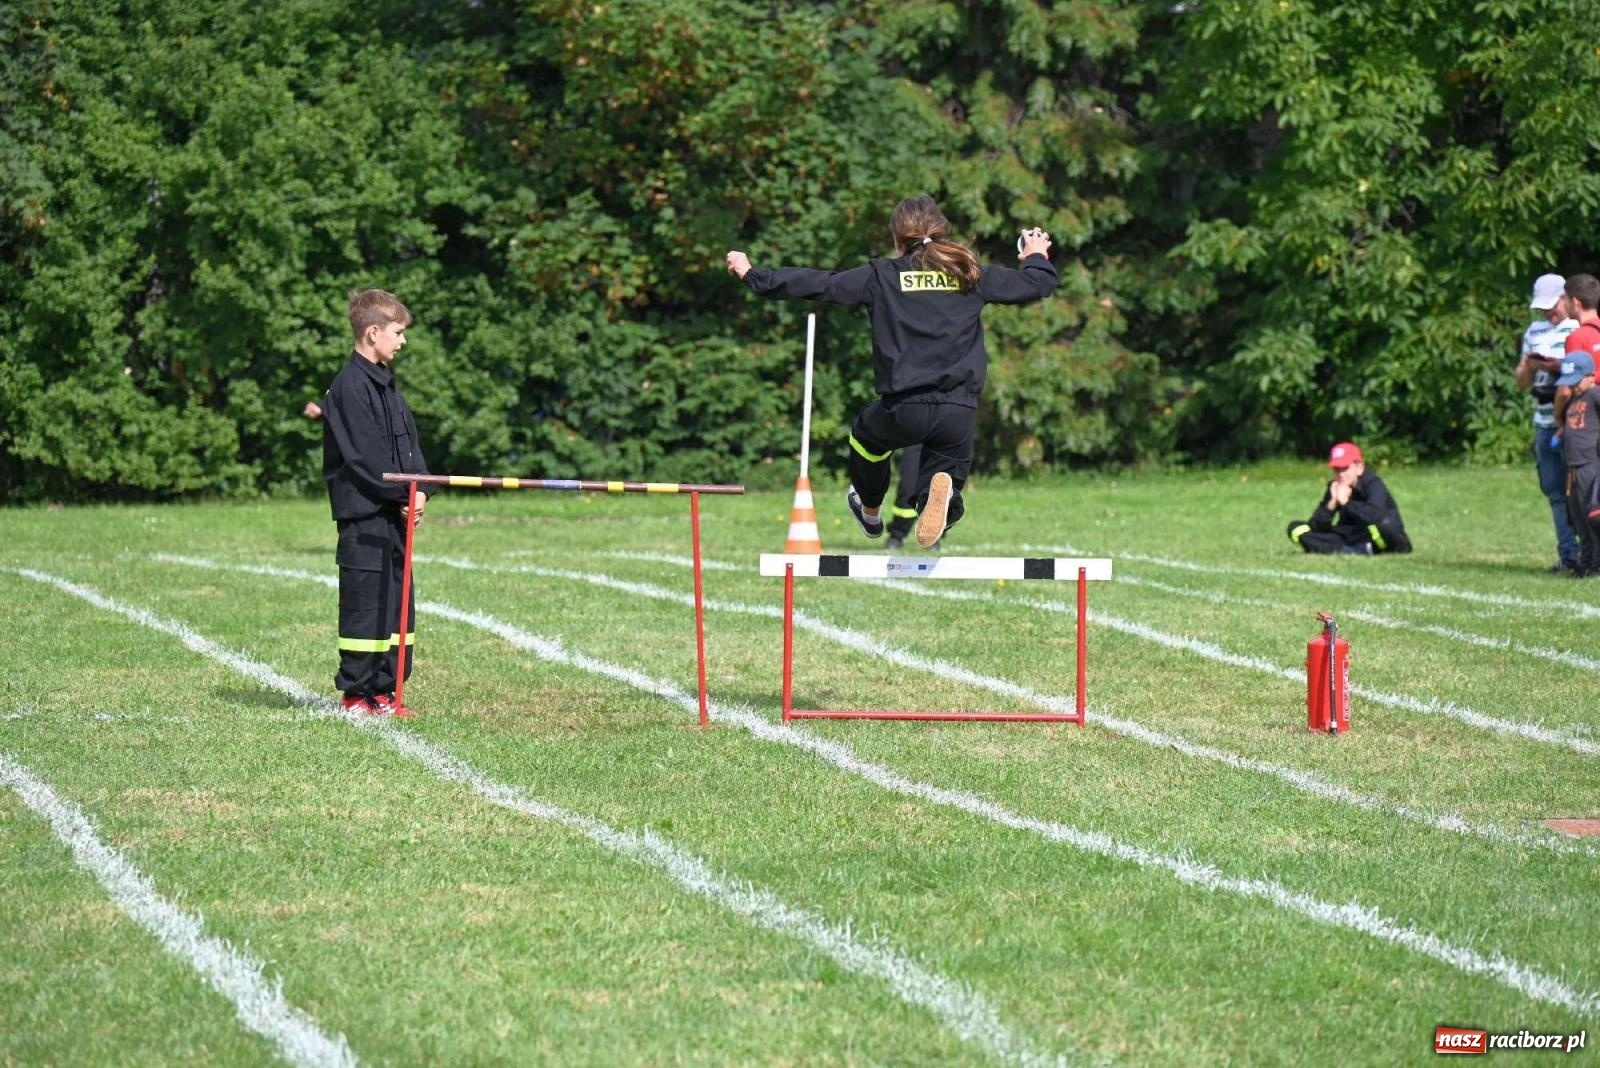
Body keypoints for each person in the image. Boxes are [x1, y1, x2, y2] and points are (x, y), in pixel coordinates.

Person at [726, 196, 1058, 548]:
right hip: (957, 411)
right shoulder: (969, 272)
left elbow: (821, 283)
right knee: (942, 480)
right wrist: (1035, 255)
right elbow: (1037, 285)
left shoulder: (882, 276)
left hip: (904, 409)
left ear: (897, 238)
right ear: (941, 232)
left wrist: (754, 275)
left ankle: (870, 507)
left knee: (865, 438)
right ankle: (941, 502)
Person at [322, 289, 434, 717]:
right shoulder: (349, 387)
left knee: (397, 605)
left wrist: (421, 490)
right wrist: (402, 494)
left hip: (395, 513)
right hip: (365, 516)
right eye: (398, 332)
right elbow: (365, 459)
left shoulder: (388, 385)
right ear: (373, 333)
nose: (402, 341)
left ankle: (387, 692)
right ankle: (357, 695)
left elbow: (410, 451)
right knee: (366, 606)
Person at [1514, 273, 1578, 571]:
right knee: (1553, 490)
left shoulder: (1577, 328)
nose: (1548, 314)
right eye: (1543, 309)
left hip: (1573, 420)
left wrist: (1556, 366)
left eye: (1552, 307)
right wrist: (1529, 364)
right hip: (1542, 420)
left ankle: (1588, 552)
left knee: (1579, 490)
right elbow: (1521, 383)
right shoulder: (1534, 331)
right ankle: (1567, 555)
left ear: (1565, 299)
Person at [1286, 442, 1412, 555]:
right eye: (1336, 469)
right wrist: (1332, 504)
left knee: (1383, 526)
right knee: (1296, 528)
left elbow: (1374, 516)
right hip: (1348, 535)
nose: (1341, 474)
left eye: (1345, 468)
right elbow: (1316, 526)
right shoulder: (1334, 486)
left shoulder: (1373, 484)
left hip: (1375, 534)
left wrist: (1346, 503)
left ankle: (1339, 548)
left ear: (1359, 467)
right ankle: (1353, 550)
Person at [1556, 351, 1600, 577]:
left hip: (1590, 465)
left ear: (1591, 376)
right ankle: (1585, 561)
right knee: (1578, 517)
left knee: (1591, 516)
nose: (1571, 387)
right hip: (1573, 468)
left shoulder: (1594, 395)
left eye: (1575, 381)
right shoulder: (1575, 398)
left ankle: (1596, 563)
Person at [884, 444, 940, 551]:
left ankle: (932, 533)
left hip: (940, 435)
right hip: (915, 436)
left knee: (936, 486)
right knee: (907, 487)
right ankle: (897, 534)